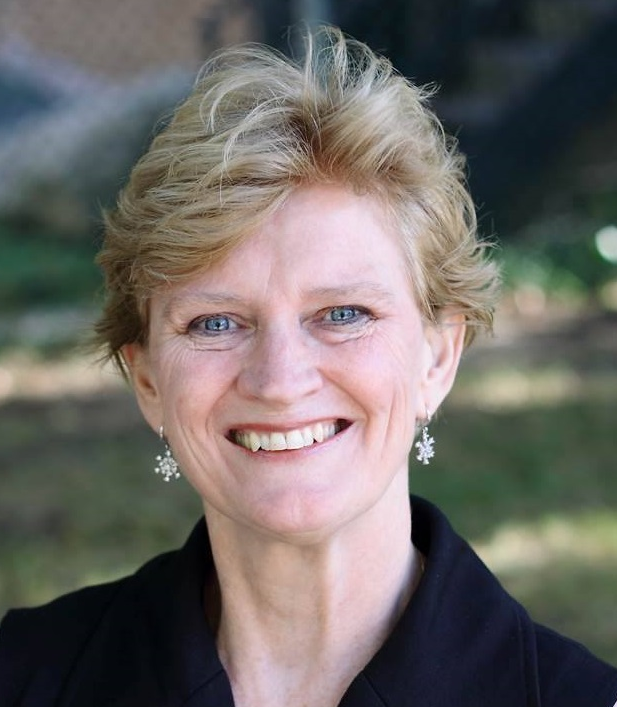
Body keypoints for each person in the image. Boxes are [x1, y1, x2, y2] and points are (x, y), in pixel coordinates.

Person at [0, 26, 615, 707]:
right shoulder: (22, 677)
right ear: (146, 381)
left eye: (343, 313)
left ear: (437, 356)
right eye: (215, 322)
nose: (279, 380)